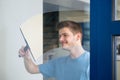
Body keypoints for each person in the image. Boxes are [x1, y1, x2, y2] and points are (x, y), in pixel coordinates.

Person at [19, 20, 90, 80]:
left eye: (65, 35)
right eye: (60, 36)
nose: (60, 39)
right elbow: (32, 69)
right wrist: (26, 57)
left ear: (78, 37)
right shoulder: (58, 63)